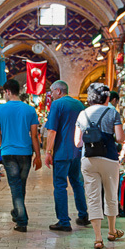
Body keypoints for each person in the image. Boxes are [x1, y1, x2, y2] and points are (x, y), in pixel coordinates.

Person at [74, 83, 125, 249]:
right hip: (109, 159)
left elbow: (77, 142)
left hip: (88, 159)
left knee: (93, 197)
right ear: (107, 98)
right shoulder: (113, 113)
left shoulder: (82, 114)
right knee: (111, 195)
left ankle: (98, 238)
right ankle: (111, 231)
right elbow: (119, 138)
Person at [0, 79, 42, 232]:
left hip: (9, 153)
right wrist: (38, 156)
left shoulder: (0, 109)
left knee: (15, 187)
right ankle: (17, 211)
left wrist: (4, 145)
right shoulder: (29, 110)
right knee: (21, 186)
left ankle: (21, 220)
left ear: (7, 91)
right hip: (25, 153)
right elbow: (34, 135)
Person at [43, 81, 89, 231]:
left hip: (62, 153)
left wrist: (48, 152)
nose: (51, 95)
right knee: (77, 183)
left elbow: (52, 131)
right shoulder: (79, 105)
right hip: (77, 151)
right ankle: (83, 215)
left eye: (51, 91)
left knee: (60, 186)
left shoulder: (57, 105)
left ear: (58, 91)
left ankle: (64, 221)